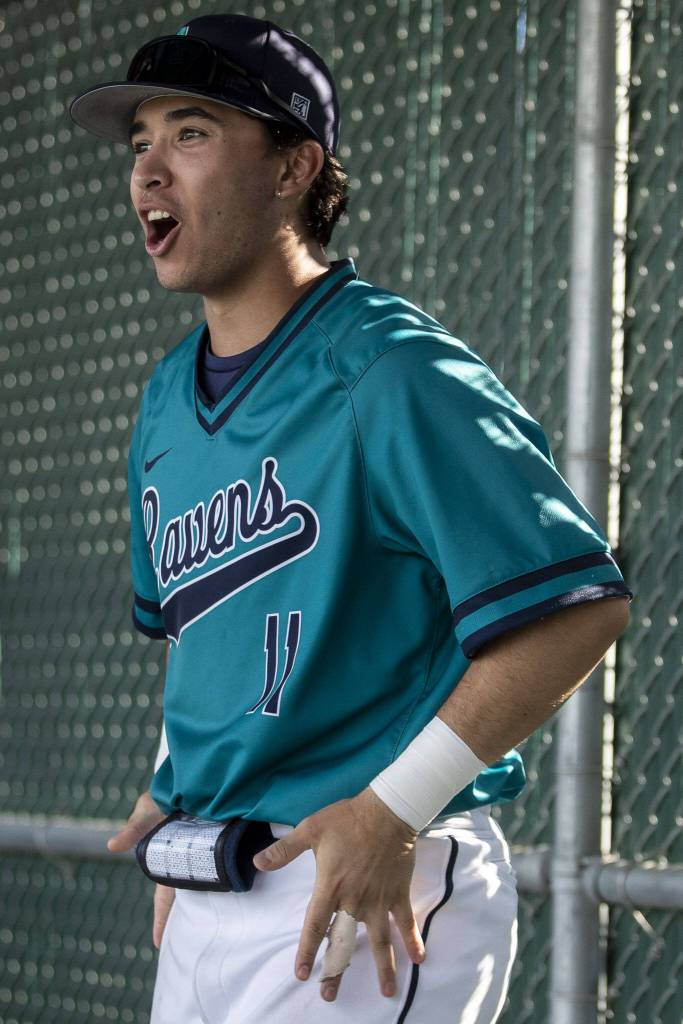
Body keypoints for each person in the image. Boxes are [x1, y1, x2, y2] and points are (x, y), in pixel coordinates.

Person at [69, 13, 632, 1023]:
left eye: (190, 133)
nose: (149, 171)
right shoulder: (164, 401)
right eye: (140, 141)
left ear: (293, 167)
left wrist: (393, 808)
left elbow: (573, 609)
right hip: (214, 877)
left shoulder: (393, 369)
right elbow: (200, 624)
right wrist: (176, 785)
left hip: (364, 883)